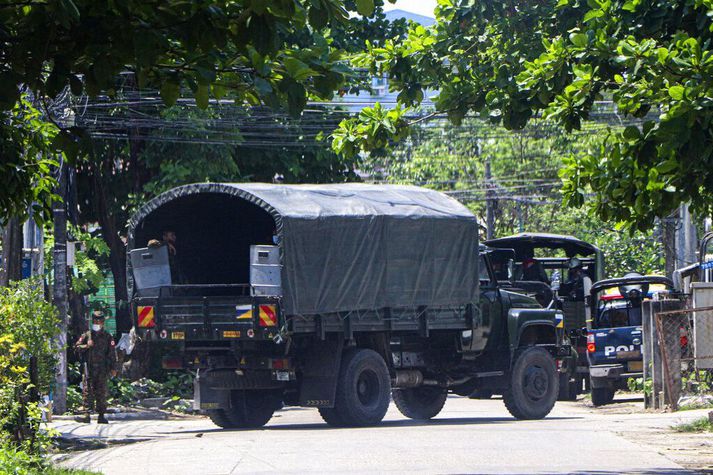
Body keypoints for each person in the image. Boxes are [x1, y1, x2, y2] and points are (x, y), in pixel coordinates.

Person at [74, 310, 118, 424]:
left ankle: (101, 415)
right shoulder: (86, 335)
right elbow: (76, 347)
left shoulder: (108, 337)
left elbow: (112, 354)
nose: (97, 323)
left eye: (99, 320)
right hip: (89, 367)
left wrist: (114, 368)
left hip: (102, 368)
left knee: (101, 391)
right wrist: (86, 346)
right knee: (87, 391)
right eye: (95, 320)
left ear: (103, 322)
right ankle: (87, 414)